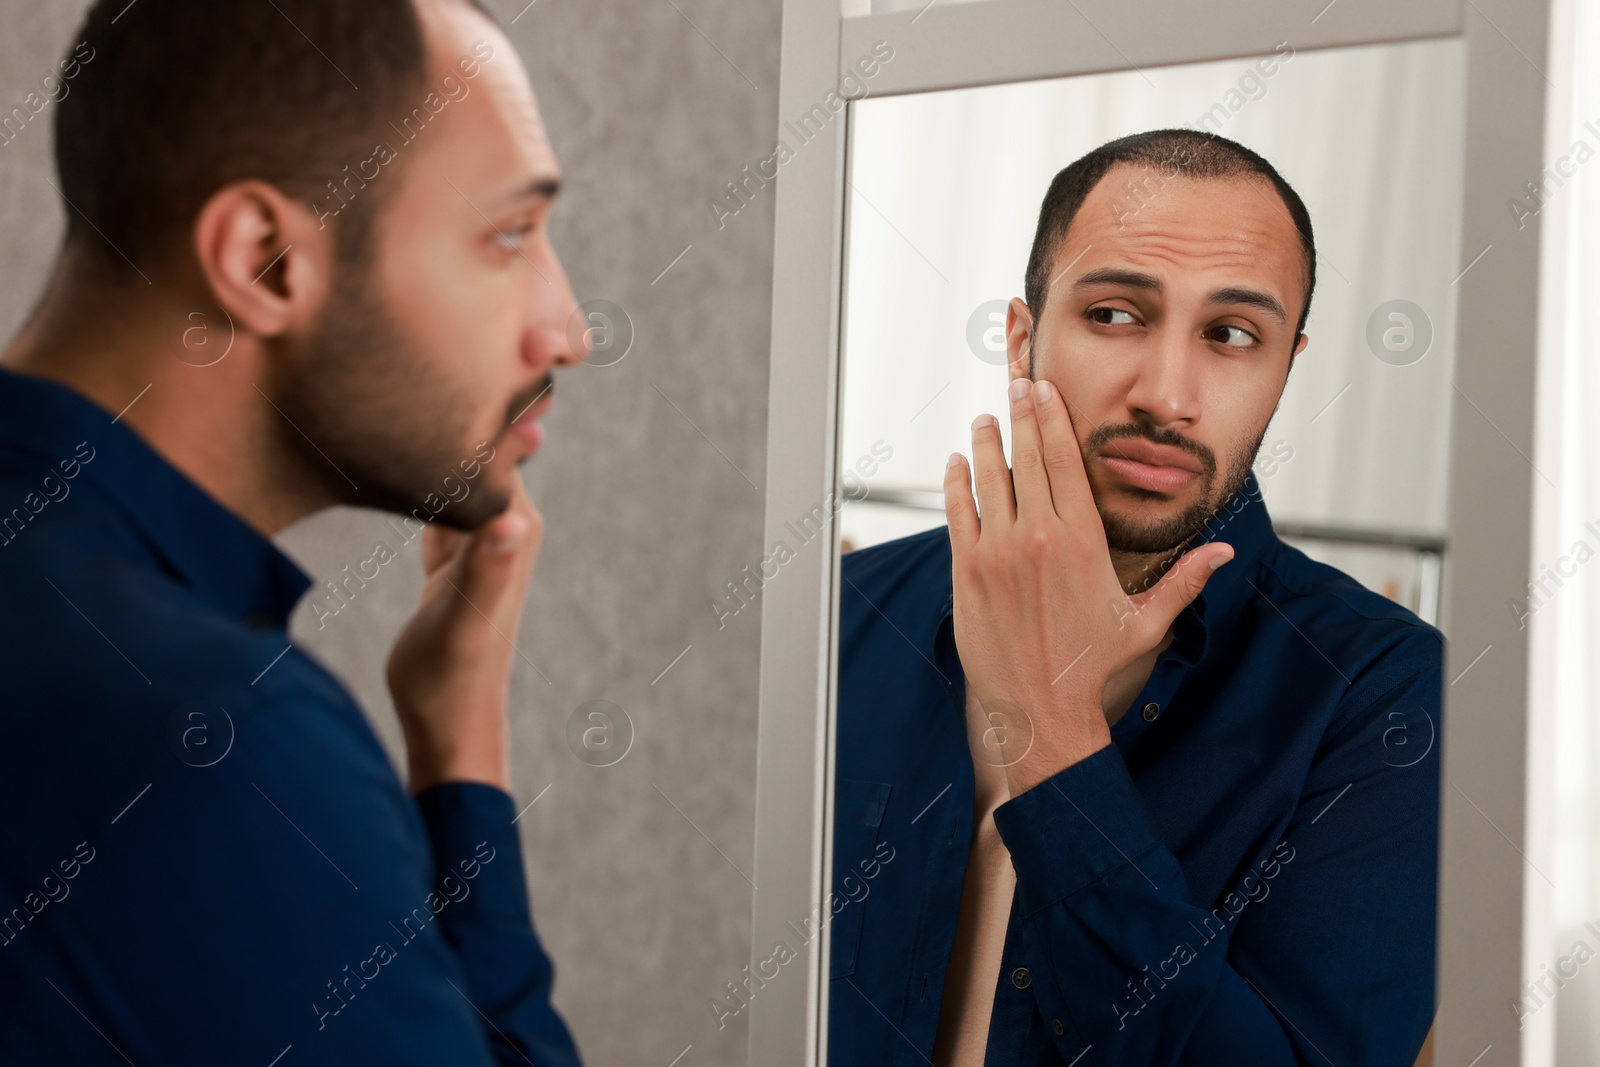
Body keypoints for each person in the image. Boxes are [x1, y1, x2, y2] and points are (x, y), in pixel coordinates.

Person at [0, 1, 587, 1063]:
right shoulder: (220, 739)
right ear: (265, 260)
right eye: (508, 235)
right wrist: (465, 759)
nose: (568, 329)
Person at [829, 129, 1441, 1065]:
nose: (1166, 394)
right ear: (1023, 337)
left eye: (1232, 335)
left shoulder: (1386, 695)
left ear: (1286, 369)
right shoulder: (844, 613)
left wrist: (1053, 735)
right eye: (1115, 314)